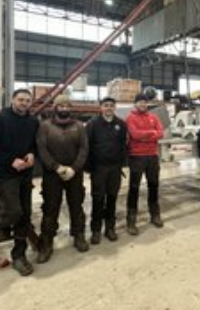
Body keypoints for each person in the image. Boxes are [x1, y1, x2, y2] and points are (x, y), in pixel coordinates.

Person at [36, 95, 89, 263]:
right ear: (55, 107)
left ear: (70, 108)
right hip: (52, 175)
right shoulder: (45, 126)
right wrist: (56, 167)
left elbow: (84, 149)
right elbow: (42, 149)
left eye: (67, 105)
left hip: (74, 174)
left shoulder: (79, 126)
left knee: (76, 205)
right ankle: (47, 242)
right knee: (50, 208)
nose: (64, 108)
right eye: (61, 105)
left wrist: (74, 168)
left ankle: (78, 235)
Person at [0, 89, 38, 276]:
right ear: (13, 100)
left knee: (25, 215)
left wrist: (31, 154)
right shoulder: (2, 118)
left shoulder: (33, 121)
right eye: (21, 99)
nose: (24, 103)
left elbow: (34, 145)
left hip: (26, 174)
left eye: (27, 100)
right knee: (14, 212)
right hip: (6, 174)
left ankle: (19, 255)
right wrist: (10, 160)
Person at [86, 97, 127, 245]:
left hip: (115, 168)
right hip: (99, 168)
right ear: (101, 107)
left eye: (111, 105)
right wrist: (90, 167)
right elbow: (87, 146)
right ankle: (96, 230)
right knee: (98, 199)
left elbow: (123, 145)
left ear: (114, 107)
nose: (109, 108)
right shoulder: (92, 124)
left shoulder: (120, 124)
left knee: (112, 198)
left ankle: (110, 228)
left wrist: (121, 164)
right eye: (106, 105)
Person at [126, 93, 164, 235]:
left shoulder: (154, 117)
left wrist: (145, 135)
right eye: (140, 102)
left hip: (152, 156)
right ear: (135, 104)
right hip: (136, 157)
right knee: (134, 189)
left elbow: (161, 133)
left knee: (153, 186)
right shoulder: (130, 118)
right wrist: (151, 133)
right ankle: (131, 221)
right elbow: (135, 135)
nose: (143, 104)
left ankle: (155, 215)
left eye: (144, 102)